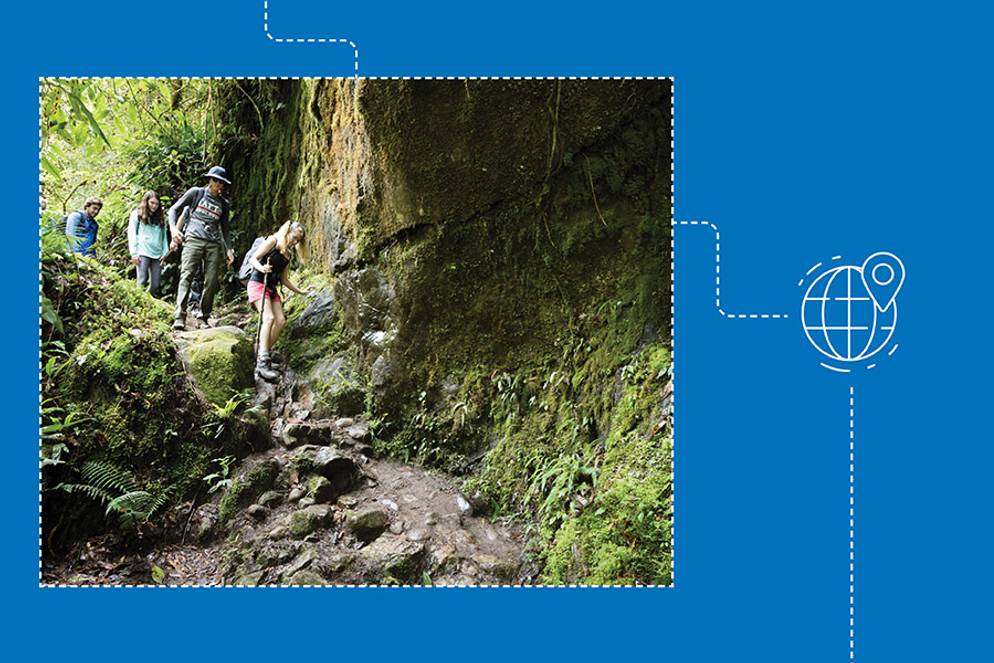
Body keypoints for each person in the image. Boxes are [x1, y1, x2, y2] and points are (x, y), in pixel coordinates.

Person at [168, 166, 235, 330]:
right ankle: (179, 316)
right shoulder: (196, 193)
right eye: (216, 181)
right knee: (187, 276)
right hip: (193, 240)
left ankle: (204, 316)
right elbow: (174, 209)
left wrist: (229, 249)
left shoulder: (223, 205)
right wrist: (174, 229)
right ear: (210, 180)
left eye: (221, 183)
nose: (218, 185)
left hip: (213, 243)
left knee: (211, 281)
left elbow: (225, 229)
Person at [247, 220, 310, 381]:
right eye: (294, 237)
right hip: (258, 284)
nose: (295, 241)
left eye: (298, 240)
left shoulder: (287, 255)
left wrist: (301, 291)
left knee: (280, 321)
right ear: (288, 232)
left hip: (272, 288)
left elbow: (285, 280)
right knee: (268, 318)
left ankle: (263, 350)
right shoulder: (273, 241)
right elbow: (254, 258)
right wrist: (261, 268)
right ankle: (262, 362)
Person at [127, 191, 170, 297]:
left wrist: (165, 252)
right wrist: (134, 253)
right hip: (142, 251)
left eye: (156, 203)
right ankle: (138, 304)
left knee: (155, 284)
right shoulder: (137, 214)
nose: (154, 206)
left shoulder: (161, 217)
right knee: (142, 280)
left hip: (157, 253)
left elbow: (164, 236)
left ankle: (147, 300)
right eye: (152, 203)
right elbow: (132, 233)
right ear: (146, 202)